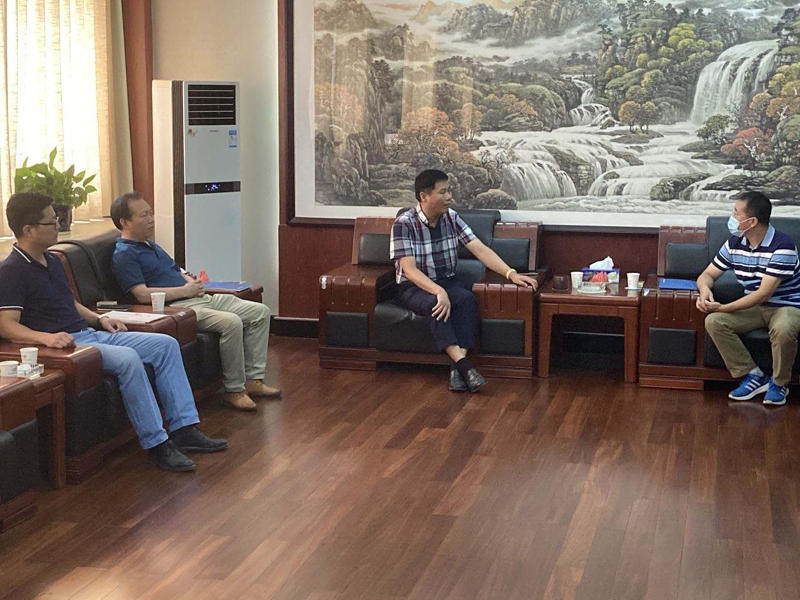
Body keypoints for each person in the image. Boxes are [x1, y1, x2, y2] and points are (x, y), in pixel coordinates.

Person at [0, 192, 227, 472]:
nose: (58, 225)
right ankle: (157, 444)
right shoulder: (12, 271)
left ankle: (184, 429)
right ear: (29, 230)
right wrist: (46, 337)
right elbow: (7, 325)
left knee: (165, 345)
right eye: (51, 222)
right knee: (128, 358)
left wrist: (99, 319)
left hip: (88, 333)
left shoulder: (52, 260)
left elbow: (69, 303)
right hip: (65, 347)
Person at [110, 192, 280, 412]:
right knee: (231, 323)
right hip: (178, 307)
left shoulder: (151, 245)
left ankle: (254, 380)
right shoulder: (124, 254)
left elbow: (176, 270)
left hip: (199, 296)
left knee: (260, 312)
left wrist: (191, 281)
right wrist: (184, 290)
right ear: (125, 222)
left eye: (151, 213)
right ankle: (234, 390)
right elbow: (141, 294)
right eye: (144, 215)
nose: (151, 219)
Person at [390, 169, 538, 392]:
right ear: (424, 196)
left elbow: (479, 249)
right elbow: (409, 270)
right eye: (443, 192)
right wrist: (438, 292)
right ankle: (465, 366)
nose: (449, 197)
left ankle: (458, 370)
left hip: (447, 280)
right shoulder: (404, 223)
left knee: (467, 299)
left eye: (449, 191)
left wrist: (511, 273)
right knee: (436, 304)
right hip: (414, 286)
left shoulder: (451, 217)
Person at [698, 191, 800, 406]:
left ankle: (779, 383)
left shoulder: (783, 245)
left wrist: (724, 307)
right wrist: (704, 290)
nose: (732, 218)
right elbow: (707, 274)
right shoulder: (735, 242)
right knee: (714, 322)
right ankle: (753, 375)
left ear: (752, 221)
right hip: (754, 308)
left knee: (783, 328)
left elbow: (764, 293)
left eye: (736, 213)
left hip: (786, 305)